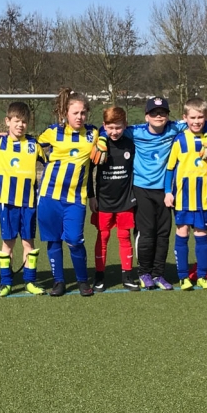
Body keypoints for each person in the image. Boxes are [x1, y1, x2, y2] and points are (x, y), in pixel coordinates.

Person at [126, 96, 207, 290]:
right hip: (142, 188)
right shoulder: (135, 131)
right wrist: (102, 138)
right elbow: (110, 129)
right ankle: (144, 272)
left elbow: (201, 122)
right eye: (154, 113)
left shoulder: (175, 129)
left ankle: (158, 274)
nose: (158, 116)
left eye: (162, 113)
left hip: (165, 192)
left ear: (168, 115)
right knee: (147, 233)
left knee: (163, 234)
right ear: (146, 116)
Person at [37, 88, 99, 297]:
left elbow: (109, 134)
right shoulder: (52, 132)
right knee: (54, 240)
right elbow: (29, 144)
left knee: (74, 239)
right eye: (75, 113)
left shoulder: (93, 134)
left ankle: (82, 280)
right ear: (65, 113)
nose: (80, 117)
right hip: (49, 197)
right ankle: (59, 281)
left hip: (75, 199)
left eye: (83, 113)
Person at [0, 101, 46, 297]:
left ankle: (30, 281)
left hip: (29, 203)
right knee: (8, 243)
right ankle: (5, 282)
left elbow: (52, 160)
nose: (20, 125)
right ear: (7, 121)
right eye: (16, 121)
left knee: (28, 243)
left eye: (24, 122)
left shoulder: (34, 145)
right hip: (7, 203)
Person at [165, 98, 207, 291]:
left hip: (203, 197)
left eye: (200, 117)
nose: (196, 121)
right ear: (185, 118)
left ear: (206, 117)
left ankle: (202, 276)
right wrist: (168, 192)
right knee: (182, 232)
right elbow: (170, 169)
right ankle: (183, 277)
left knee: (201, 234)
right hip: (182, 197)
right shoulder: (179, 140)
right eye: (192, 117)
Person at [90, 106, 137, 291]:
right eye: (110, 128)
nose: (114, 132)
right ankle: (99, 276)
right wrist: (91, 196)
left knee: (124, 237)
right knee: (103, 237)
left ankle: (127, 275)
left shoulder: (130, 144)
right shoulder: (99, 145)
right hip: (104, 201)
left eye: (118, 127)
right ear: (104, 126)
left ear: (125, 125)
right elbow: (88, 172)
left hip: (125, 200)